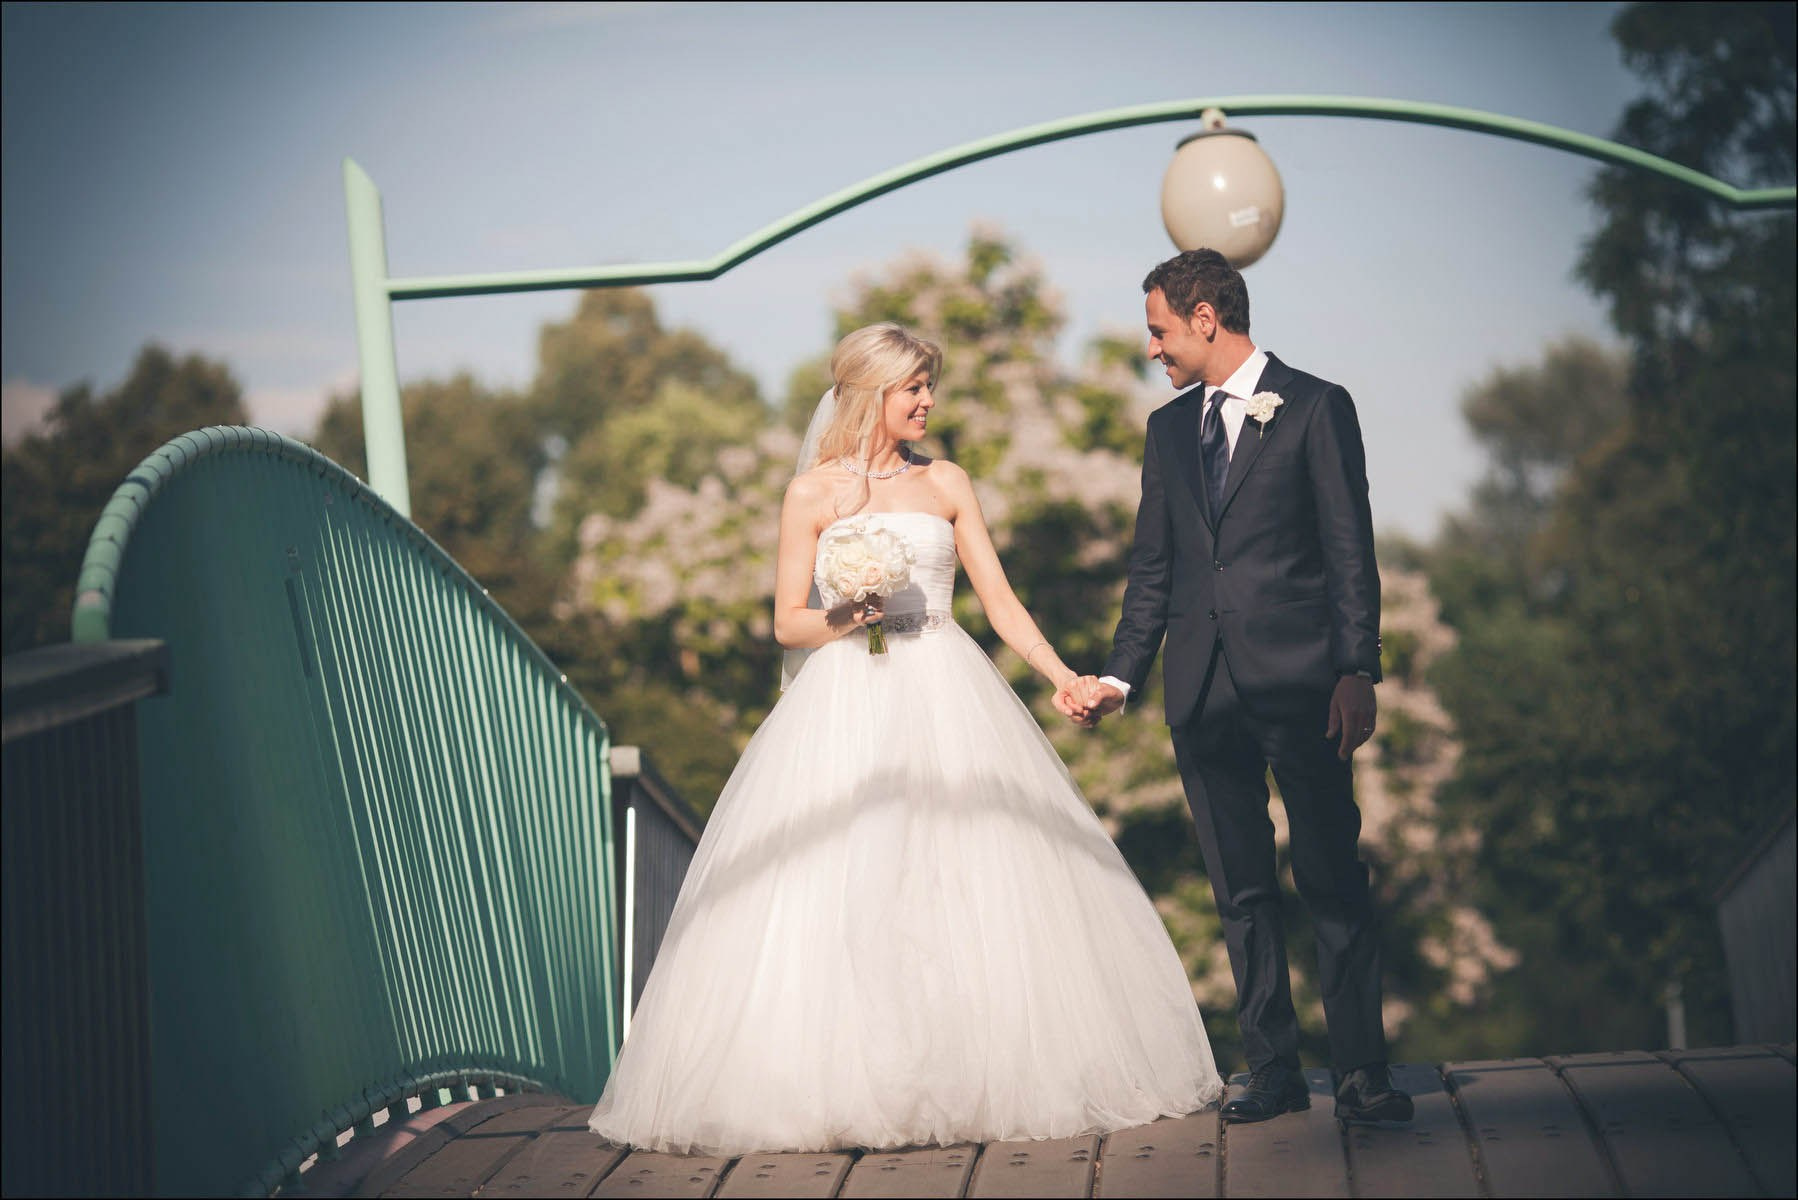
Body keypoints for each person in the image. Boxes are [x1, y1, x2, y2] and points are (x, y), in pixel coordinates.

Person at [587, 322, 1222, 1156]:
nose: (927, 400)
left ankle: (965, 1076)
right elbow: (786, 621)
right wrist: (853, 612)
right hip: (845, 701)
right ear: (869, 393)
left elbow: (998, 603)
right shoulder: (810, 495)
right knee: (852, 878)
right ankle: (851, 1081)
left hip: (946, 691)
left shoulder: (948, 483)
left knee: (962, 876)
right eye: (912, 386)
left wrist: (1064, 675)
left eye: (930, 385)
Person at [1056, 249, 1413, 1126]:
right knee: (1240, 888)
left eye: (1158, 330)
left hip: (1302, 686)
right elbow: (1152, 572)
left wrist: (1356, 669)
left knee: (1331, 873)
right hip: (1201, 693)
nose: (1153, 350)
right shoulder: (1166, 432)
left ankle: (1363, 1069)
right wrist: (1118, 677)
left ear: (1206, 318)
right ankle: (1273, 1066)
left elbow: (1347, 550)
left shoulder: (1319, 407)